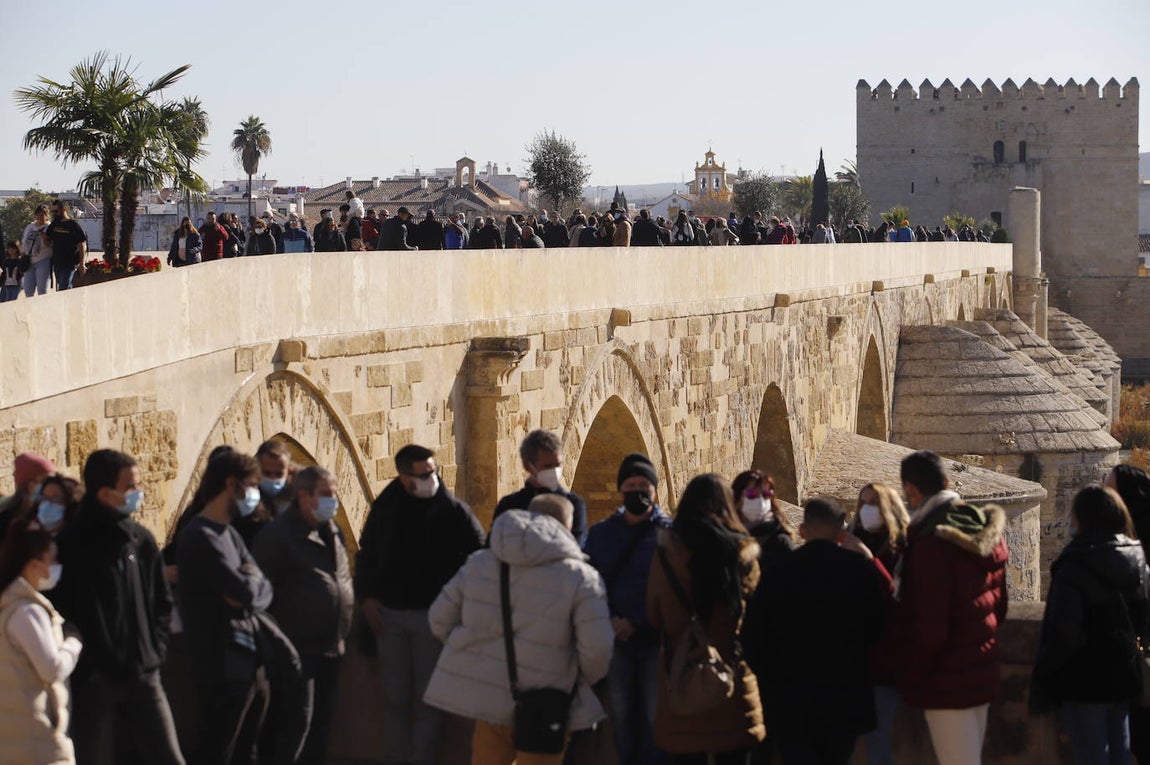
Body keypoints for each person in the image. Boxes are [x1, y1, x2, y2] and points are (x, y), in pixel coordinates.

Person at [424, 494, 614, 765]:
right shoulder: (580, 577)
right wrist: (575, 679)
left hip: (489, 698)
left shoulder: (480, 563)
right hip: (548, 702)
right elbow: (598, 649)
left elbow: (438, 619)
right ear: (566, 527)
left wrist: (472, 653)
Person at [51, 449, 185, 765]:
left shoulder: (139, 540)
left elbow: (160, 600)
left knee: (168, 757)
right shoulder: (73, 545)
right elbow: (64, 611)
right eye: (130, 487)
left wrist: (155, 649)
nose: (137, 493)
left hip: (144, 674)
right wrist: (94, 665)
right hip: (97, 681)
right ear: (105, 493)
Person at [355, 444, 485, 765]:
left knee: (427, 699)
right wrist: (367, 598)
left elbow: (479, 554)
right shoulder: (386, 510)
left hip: (434, 617)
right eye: (423, 475)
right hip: (391, 617)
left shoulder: (452, 510)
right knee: (395, 698)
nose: (431, 479)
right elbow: (367, 555)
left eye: (433, 472)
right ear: (403, 477)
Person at [748, 497, 890, 764]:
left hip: (791, 699)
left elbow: (754, 635)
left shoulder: (778, 571)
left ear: (803, 531)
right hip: (845, 698)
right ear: (841, 532)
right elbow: (876, 629)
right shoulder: (860, 571)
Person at [897, 450, 1008, 765]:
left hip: (947, 677)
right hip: (981, 668)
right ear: (947, 481)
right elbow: (999, 607)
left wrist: (913, 675)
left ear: (911, 491)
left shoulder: (931, 544)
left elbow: (931, 627)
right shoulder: (984, 528)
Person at [647, 473, 764, 764]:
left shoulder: (666, 555)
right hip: (731, 678)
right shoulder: (744, 555)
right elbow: (756, 616)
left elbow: (653, 614)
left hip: (682, 678)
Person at [1031, 484, 1149, 765]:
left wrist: (1044, 680)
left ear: (1081, 518)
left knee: (1091, 754)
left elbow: (1064, 632)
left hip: (1085, 678)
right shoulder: (1137, 558)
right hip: (1125, 672)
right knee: (1120, 750)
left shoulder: (1074, 565)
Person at [177, 450, 272, 765]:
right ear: (232, 485)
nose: (255, 495)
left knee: (248, 751)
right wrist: (251, 587)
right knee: (218, 750)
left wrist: (251, 587)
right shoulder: (200, 536)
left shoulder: (229, 533)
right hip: (219, 663)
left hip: (246, 660)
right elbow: (245, 590)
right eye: (252, 485)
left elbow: (261, 588)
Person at [253, 466, 353, 765]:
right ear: (303, 496)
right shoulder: (277, 536)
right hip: (296, 649)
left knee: (320, 728)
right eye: (325, 495)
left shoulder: (331, 530)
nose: (332, 502)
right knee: (296, 725)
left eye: (334, 495)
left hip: (331, 646)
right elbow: (260, 596)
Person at [584, 453, 672, 765]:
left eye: (644, 484)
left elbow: (670, 591)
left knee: (653, 715)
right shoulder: (602, 533)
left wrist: (636, 621)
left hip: (654, 640)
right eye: (631, 484)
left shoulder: (669, 535)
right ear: (620, 489)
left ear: (655, 490)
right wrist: (610, 620)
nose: (638, 490)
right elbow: (590, 582)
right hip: (616, 640)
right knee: (620, 715)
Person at [0, 520, 83, 765]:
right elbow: (51, 668)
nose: (55, 566)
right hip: (36, 740)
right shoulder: (27, 612)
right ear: (35, 565)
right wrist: (73, 643)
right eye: (52, 560)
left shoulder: (9, 605)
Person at [843, 482, 911, 765]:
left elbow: (900, 599)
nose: (867, 509)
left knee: (879, 738)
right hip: (850, 661)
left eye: (874, 503)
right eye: (863, 503)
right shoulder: (849, 541)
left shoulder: (903, 546)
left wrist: (870, 560)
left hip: (886, 660)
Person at [492, 429, 588, 545]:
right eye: (547, 466)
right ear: (528, 466)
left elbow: (576, 547)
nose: (554, 471)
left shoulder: (574, 504)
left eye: (557, 465)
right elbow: (494, 546)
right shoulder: (510, 505)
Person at [0, 453, 57, 543]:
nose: (50, 486)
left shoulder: (58, 511)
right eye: (43, 481)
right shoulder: (7, 521)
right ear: (28, 485)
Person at [43, 199, 87, 290]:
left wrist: (82, 263)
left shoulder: (73, 225)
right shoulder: (54, 224)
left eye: (56, 211)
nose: (54, 214)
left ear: (63, 210)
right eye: (53, 211)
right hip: (57, 263)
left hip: (70, 263)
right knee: (61, 287)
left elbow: (82, 244)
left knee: (64, 286)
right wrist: (43, 237)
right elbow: (48, 242)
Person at [21, 205, 52, 296]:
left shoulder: (49, 227)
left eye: (42, 215)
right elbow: (24, 241)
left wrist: (43, 237)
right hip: (29, 261)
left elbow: (49, 244)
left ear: (46, 216)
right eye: (38, 215)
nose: (40, 217)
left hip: (43, 259)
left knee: (42, 290)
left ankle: (42, 308)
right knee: (28, 289)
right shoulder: (30, 227)